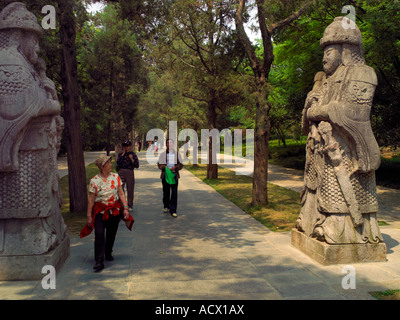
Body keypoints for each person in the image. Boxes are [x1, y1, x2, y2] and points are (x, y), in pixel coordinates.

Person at [295, 17, 383, 245]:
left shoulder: (363, 74)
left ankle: (340, 229)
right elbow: (305, 124)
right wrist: (308, 106)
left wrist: (319, 110)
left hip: (341, 151)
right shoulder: (323, 81)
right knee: (316, 187)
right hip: (318, 151)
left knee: (339, 190)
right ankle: (311, 222)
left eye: (330, 51)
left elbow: (353, 113)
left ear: (346, 50)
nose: (324, 57)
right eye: (324, 52)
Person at [86, 154, 133, 272]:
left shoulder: (115, 177)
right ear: (102, 166)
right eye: (108, 163)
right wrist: (89, 216)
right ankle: (99, 260)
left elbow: (121, 193)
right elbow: (91, 200)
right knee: (99, 234)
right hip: (100, 211)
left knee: (111, 233)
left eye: (110, 162)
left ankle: (108, 252)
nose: (110, 164)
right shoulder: (94, 181)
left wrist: (125, 208)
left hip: (114, 210)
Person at [157, 139, 183, 217]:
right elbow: (159, 165)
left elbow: (181, 164)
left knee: (174, 193)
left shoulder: (177, 154)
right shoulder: (162, 154)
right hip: (165, 175)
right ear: (166, 145)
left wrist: (175, 167)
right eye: (168, 143)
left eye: (171, 143)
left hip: (174, 175)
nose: (169, 144)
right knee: (166, 192)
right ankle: (166, 206)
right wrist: (165, 167)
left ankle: (173, 210)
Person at [116, 140, 139, 211]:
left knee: (130, 189)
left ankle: (130, 205)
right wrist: (122, 155)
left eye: (127, 146)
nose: (126, 147)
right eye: (125, 146)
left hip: (129, 172)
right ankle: (121, 205)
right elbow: (118, 163)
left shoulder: (133, 154)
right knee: (120, 189)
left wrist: (132, 159)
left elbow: (137, 165)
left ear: (130, 146)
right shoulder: (121, 154)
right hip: (121, 172)